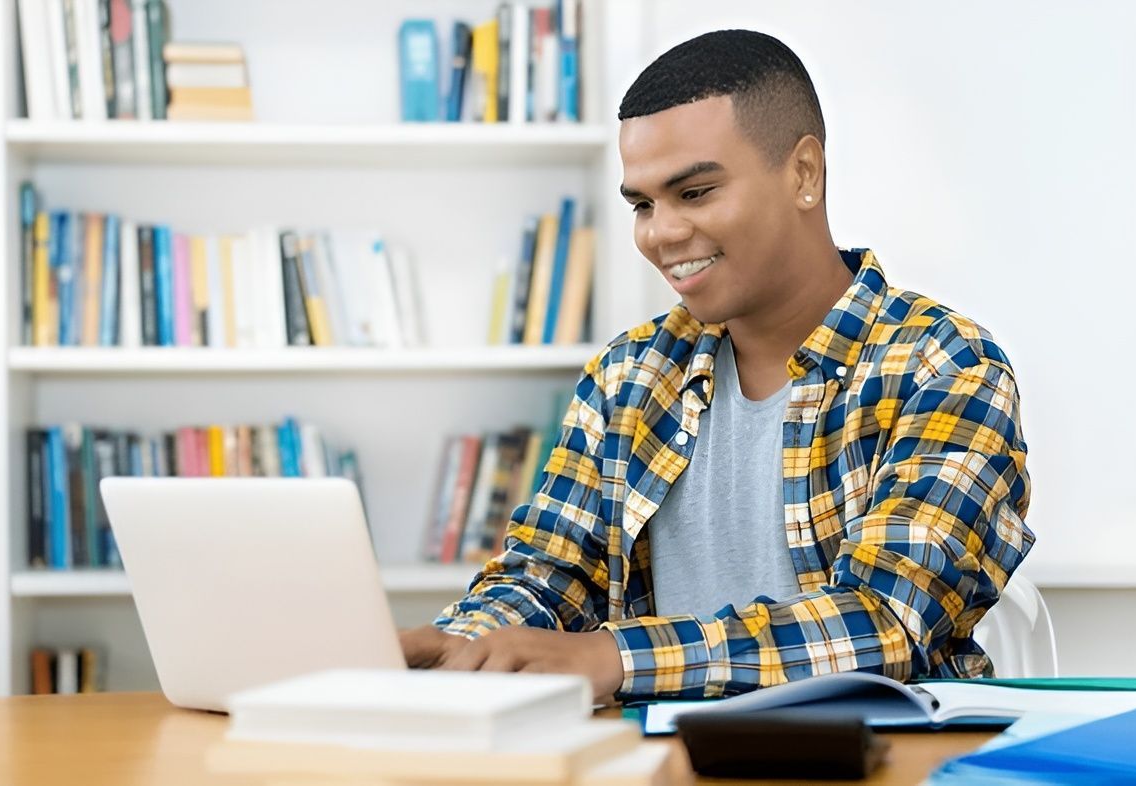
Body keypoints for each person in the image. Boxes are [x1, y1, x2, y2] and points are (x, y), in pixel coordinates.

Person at [400, 29, 1034, 703]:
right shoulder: (628, 378)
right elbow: (549, 578)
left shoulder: (944, 366)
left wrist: (615, 656)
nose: (661, 233)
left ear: (804, 174)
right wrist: (464, 647)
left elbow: (882, 624)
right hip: (657, 765)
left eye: (695, 193)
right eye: (642, 205)